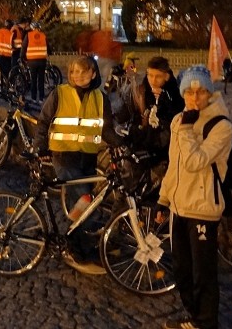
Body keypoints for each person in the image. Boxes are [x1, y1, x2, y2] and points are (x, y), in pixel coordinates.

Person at [156, 65, 232, 329]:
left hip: (202, 209)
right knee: (181, 271)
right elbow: (174, 164)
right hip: (179, 207)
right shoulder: (180, 119)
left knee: (203, 273)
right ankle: (194, 316)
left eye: (200, 92)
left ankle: (206, 322)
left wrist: (188, 130)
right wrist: (164, 199)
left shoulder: (220, 125)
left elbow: (194, 161)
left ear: (209, 93)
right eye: (189, 91)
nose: (195, 97)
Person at [34, 55, 120, 273]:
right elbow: (43, 121)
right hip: (63, 155)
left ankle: (75, 240)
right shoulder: (60, 93)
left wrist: (123, 144)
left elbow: (106, 130)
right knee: (85, 201)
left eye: (83, 72)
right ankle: (76, 246)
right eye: (74, 72)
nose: (77, 76)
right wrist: (41, 148)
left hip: (87, 157)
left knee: (82, 203)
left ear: (93, 74)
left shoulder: (101, 99)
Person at [115, 56, 184, 179]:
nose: (153, 79)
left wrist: (163, 100)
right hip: (144, 137)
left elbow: (175, 117)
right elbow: (131, 109)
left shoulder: (174, 93)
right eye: (150, 75)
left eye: (158, 76)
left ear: (166, 76)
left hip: (165, 143)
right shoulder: (143, 90)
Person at [21, 21, 49, 102]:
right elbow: (48, 46)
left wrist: (22, 57)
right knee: (41, 79)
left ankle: (33, 98)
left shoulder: (28, 35)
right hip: (42, 61)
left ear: (32, 28)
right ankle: (41, 98)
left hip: (32, 61)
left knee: (33, 79)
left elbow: (24, 47)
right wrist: (49, 52)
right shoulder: (43, 35)